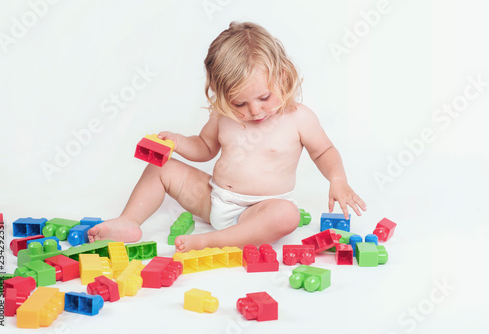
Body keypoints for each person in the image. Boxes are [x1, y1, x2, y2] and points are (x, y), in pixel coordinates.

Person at [88, 21, 366, 252]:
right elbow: (205, 146)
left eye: (264, 97)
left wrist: (338, 180)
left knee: (286, 215)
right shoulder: (224, 116)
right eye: (239, 104)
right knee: (162, 168)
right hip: (212, 199)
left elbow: (324, 151)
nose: (255, 111)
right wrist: (177, 142)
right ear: (222, 96)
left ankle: (213, 241)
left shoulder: (298, 117)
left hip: (259, 210)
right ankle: (129, 221)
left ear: (282, 77)